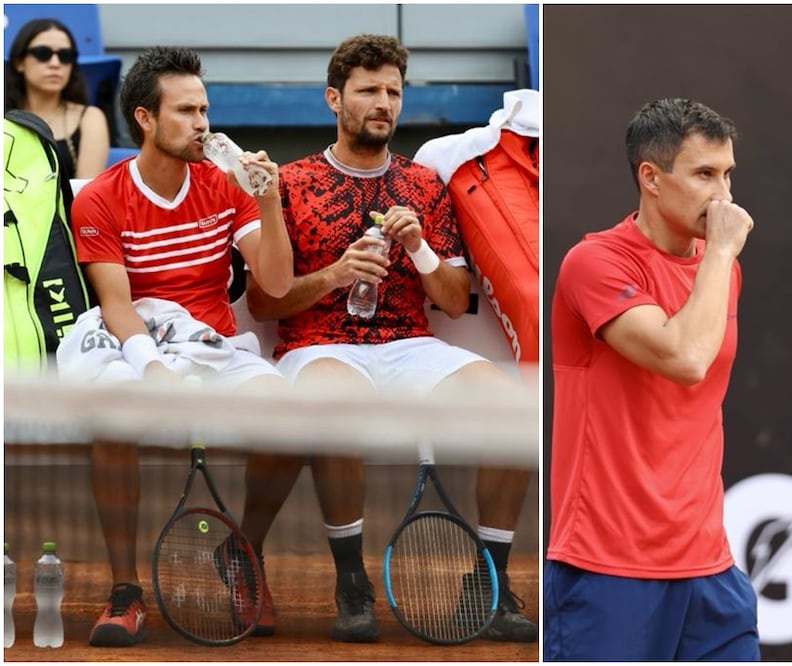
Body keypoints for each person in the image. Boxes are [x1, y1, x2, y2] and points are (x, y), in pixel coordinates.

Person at [239, 33, 538, 643]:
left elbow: (455, 301)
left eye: (393, 92)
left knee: (513, 405)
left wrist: (418, 246)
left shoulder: (425, 185)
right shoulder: (289, 184)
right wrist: (335, 274)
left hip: (410, 345)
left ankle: (489, 583)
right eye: (369, 90)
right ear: (334, 98)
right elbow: (266, 302)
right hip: (315, 344)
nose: (384, 103)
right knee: (335, 402)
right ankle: (352, 580)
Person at [66, 45, 293, 647]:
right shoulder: (98, 197)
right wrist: (152, 370)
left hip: (215, 344)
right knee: (111, 417)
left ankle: (243, 553)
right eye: (187, 110)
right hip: (135, 341)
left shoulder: (226, 186)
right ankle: (124, 590)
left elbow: (273, 283)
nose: (203, 123)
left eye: (205, 108)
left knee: (293, 417)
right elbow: (115, 305)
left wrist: (268, 198)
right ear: (145, 118)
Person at [544, 97, 759, 661]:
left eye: (727, 174)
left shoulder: (721, 268)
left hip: (710, 567)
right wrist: (719, 253)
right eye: (704, 175)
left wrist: (716, 258)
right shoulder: (594, 263)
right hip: (607, 569)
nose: (724, 196)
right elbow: (684, 358)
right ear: (651, 178)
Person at [5, 17, 110, 179]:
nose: (55, 63)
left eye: (66, 55)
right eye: (43, 53)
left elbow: (86, 194)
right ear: (19, 62)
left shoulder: (90, 118)